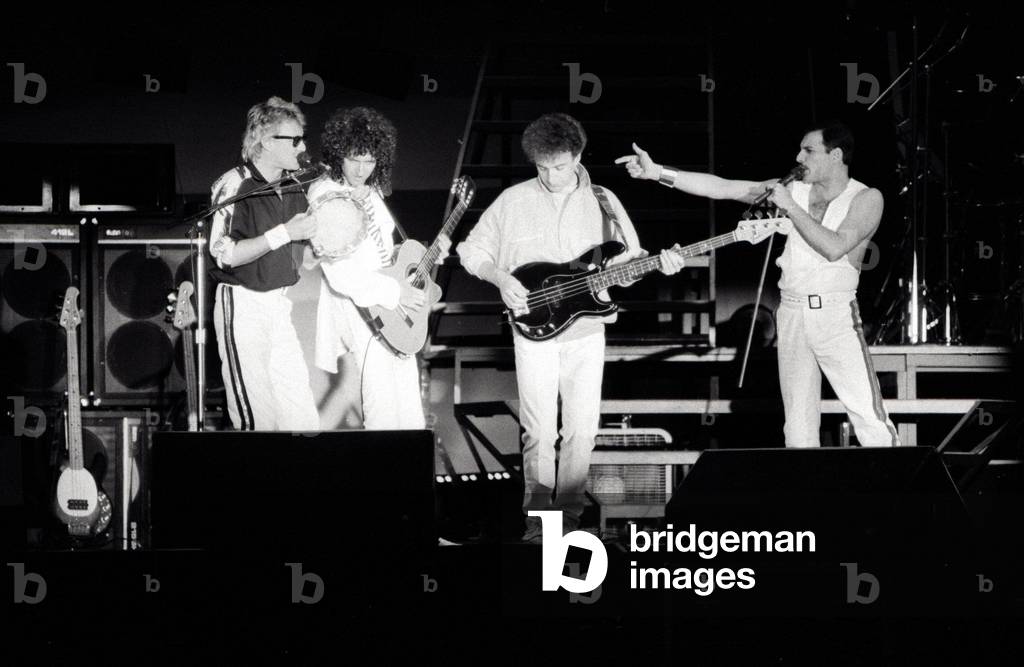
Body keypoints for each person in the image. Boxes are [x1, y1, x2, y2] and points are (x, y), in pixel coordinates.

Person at [458, 113, 685, 542]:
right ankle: (539, 526)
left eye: (559, 166)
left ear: (577, 156)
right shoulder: (512, 200)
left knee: (581, 428)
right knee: (539, 429)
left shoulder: (603, 199)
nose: (551, 176)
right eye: (542, 168)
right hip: (531, 328)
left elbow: (627, 265)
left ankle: (569, 521)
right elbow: (471, 249)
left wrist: (655, 264)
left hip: (586, 329)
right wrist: (500, 278)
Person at [617, 120, 899, 447]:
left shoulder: (866, 198)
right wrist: (659, 173)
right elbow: (725, 187)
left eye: (809, 150)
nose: (799, 157)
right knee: (796, 427)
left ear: (835, 155)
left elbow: (834, 247)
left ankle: (899, 494)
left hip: (835, 315)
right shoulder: (793, 190)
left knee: (868, 417)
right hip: (792, 311)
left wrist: (790, 207)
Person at [308, 106, 449, 429]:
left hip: (393, 303)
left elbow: (386, 251)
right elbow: (339, 271)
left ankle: (409, 476)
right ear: (337, 153)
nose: (361, 169)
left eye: (369, 160)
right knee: (382, 404)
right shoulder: (326, 194)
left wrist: (420, 259)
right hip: (364, 303)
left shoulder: (371, 192)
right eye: (354, 159)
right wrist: (393, 291)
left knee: (409, 405)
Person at [208, 96, 321, 431]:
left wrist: (317, 250)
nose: (303, 147)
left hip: (278, 305)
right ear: (267, 142)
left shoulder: (295, 185)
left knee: (302, 418)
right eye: (295, 140)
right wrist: (285, 233)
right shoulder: (235, 184)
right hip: (243, 305)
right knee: (256, 419)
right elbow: (226, 254)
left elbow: (300, 254)